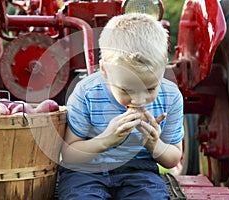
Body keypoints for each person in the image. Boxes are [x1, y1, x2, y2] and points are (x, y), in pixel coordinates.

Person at [58, 13, 184, 200]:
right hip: (86, 170)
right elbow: (69, 155)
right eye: (127, 90)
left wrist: (154, 144)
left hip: (139, 171)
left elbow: (173, 157)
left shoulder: (171, 96)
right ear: (105, 72)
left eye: (150, 88)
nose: (139, 100)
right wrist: (106, 140)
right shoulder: (86, 92)